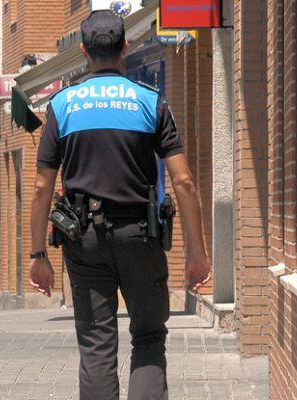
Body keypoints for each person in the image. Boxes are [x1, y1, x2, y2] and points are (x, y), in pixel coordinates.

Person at [28, 10, 212, 400]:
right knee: (148, 335)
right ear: (125, 47)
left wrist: (37, 253)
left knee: (96, 345)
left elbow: (43, 184)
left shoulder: (61, 106)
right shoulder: (150, 102)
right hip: (140, 237)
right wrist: (196, 250)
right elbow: (182, 180)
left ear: (82, 51)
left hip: (84, 240)